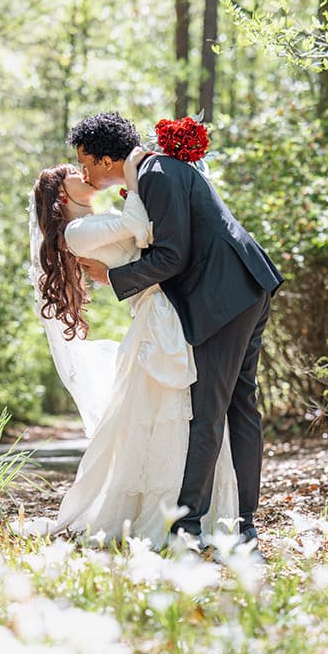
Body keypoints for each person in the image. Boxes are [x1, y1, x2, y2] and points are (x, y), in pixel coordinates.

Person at [68, 112, 284, 546]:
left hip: (224, 298)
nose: (84, 171)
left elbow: (172, 256)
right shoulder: (160, 170)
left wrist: (112, 278)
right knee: (240, 406)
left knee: (208, 411)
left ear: (105, 158)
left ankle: (189, 527)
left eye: (84, 160)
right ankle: (242, 524)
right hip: (247, 286)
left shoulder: (157, 174)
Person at [27, 160, 237, 545]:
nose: (83, 171)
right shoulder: (77, 232)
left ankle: (190, 514)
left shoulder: (93, 221)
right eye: (74, 171)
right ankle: (163, 519)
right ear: (62, 194)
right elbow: (138, 226)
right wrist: (138, 167)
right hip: (157, 317)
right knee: (167, 415)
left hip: (168, 308)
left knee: (183, 415)